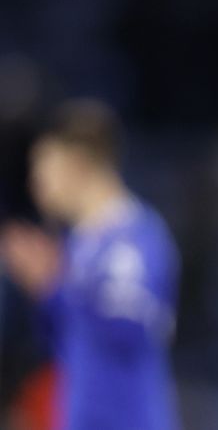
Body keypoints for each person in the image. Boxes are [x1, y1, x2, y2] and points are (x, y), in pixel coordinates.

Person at [0, 99, 181, 430]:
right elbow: (67, 345)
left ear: (78, 164)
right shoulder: (79, 245)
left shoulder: (134, 239)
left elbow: (128, 328)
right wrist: (45, 289)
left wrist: (60, 285)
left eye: (44, 167)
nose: (37, 183)